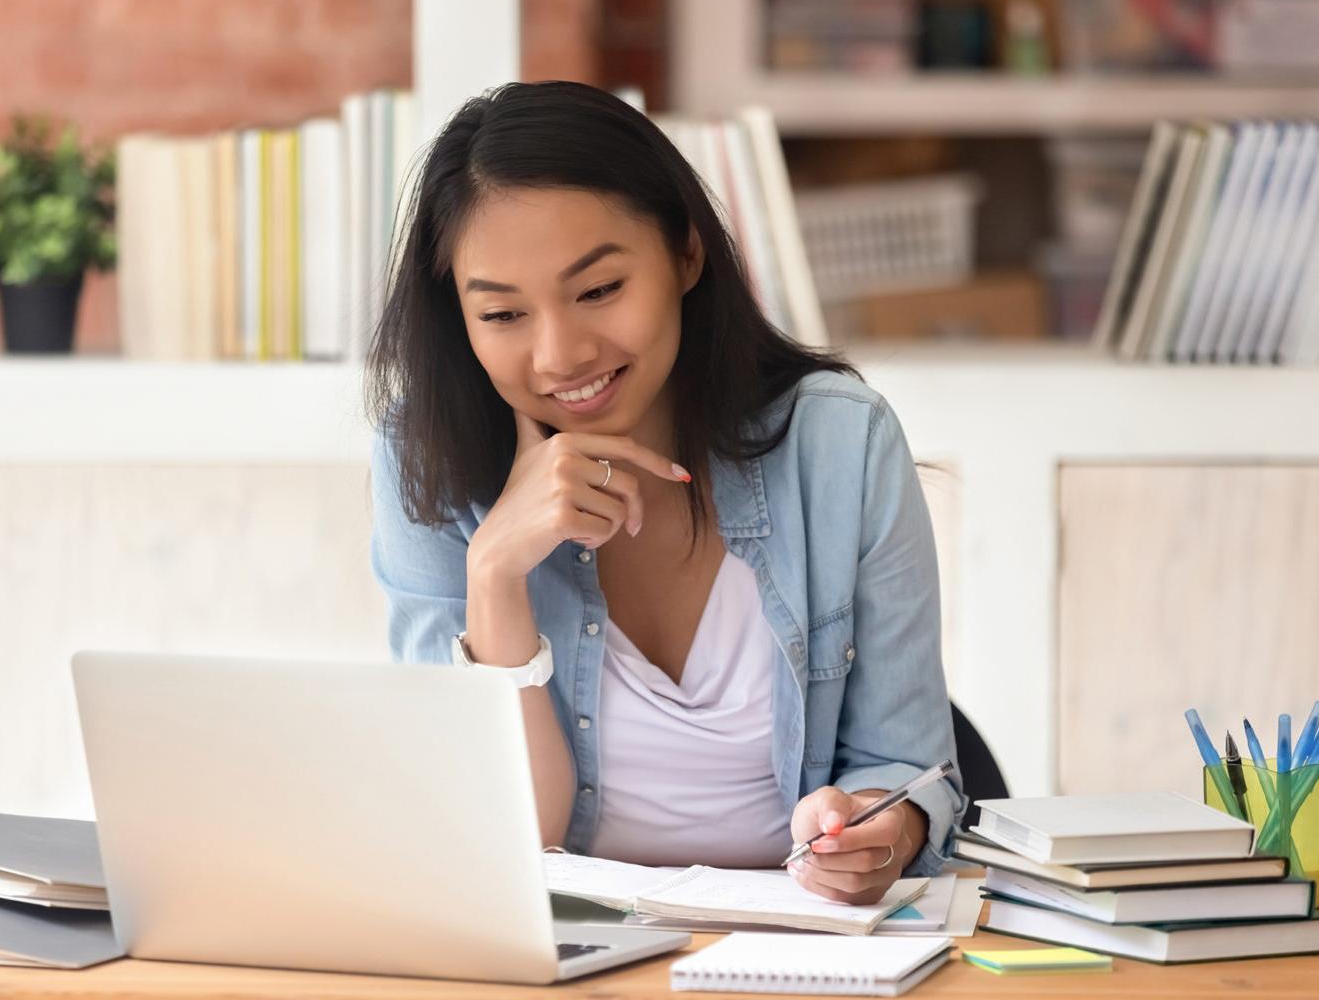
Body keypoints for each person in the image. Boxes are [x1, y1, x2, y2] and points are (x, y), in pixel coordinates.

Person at [366, 81, 964, 905]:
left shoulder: (840, 444)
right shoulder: (424, 462)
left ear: (687, 254)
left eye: (600, 291)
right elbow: (499, 839)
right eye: (503, 315)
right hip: (568, 954)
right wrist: (494, 574)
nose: (559, 355)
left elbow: (908, 764)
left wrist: (873, 830)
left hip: (799, 953)